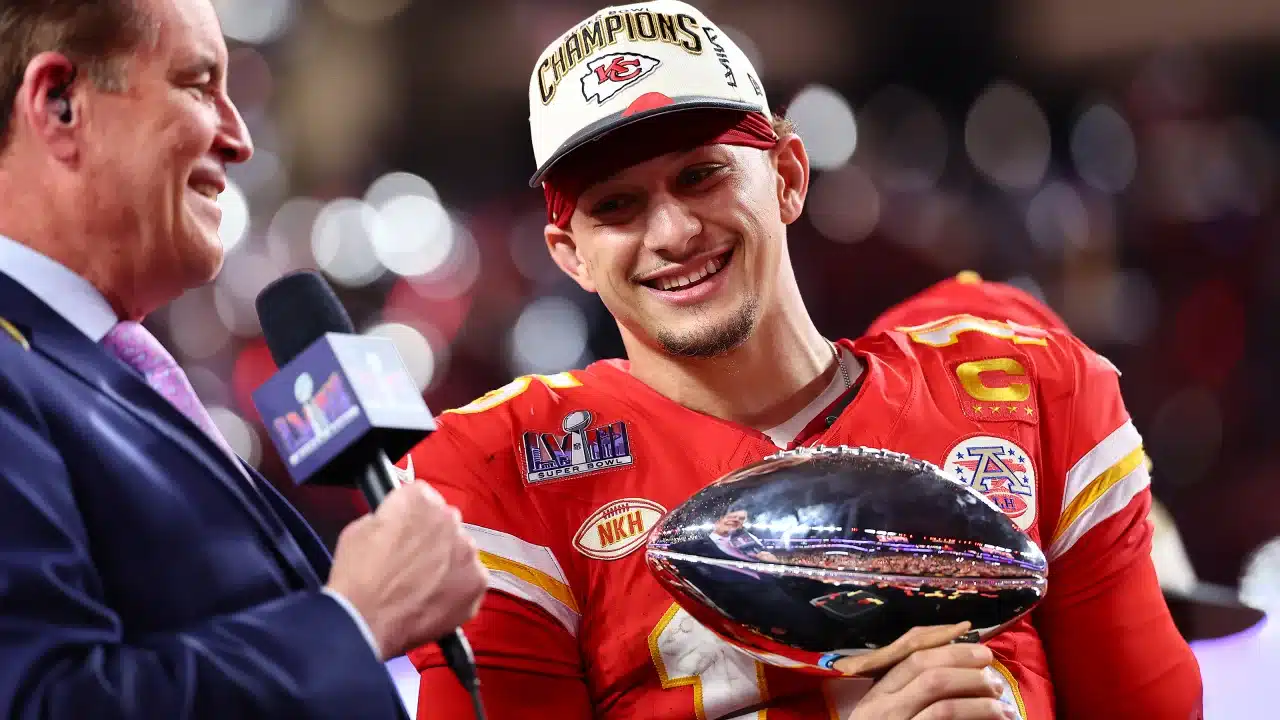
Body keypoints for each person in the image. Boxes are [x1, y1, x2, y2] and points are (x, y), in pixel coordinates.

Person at [408, 1, 1201, 718]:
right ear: (570, 255)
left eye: (701, 174)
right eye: (617, 205)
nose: (674, 233)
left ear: (787, 176)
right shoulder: (501, 471)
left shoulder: (1031, 389)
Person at [0, 1, 485, 717]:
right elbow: (43, 702)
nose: (239, 139)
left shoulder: (100, 369)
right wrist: (352, 621)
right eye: (198, 85)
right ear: (60, 105)